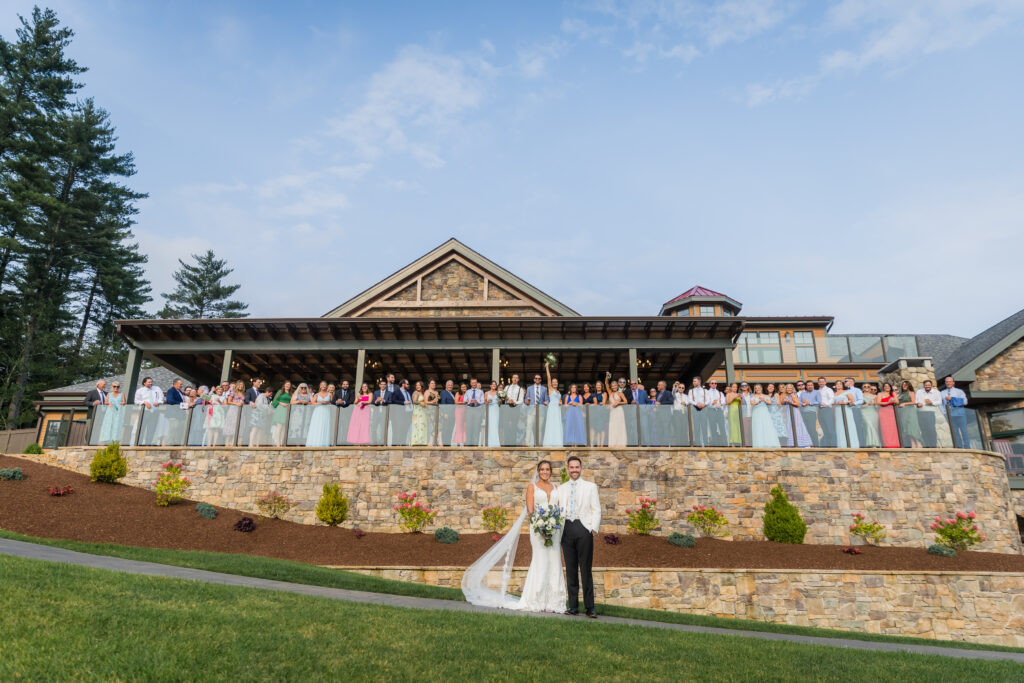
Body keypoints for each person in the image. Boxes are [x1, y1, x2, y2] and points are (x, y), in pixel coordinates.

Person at [461, 460, 566, 612]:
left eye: (547, 469)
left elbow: (559, 508)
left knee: (554, 562)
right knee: (541, 561)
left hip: (555, 531)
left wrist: (554, 524)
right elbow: (530, 509)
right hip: (538, 530)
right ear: (538, 471)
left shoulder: (556, 487)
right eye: (542, 469)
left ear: (551, 471)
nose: (545, 472)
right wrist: (540, 526)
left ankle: (554, 602)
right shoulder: (532, 487)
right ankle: (536, 600)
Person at [556, 455, 601, 618]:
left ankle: (590, 608)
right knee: (571, 569)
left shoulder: (590, 487)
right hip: (566, 529)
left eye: (577, 467)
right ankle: (573, 606)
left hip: (583, 529)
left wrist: (592, 528)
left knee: (586, 569)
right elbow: (558, 508)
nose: (574, 470)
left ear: (581, 469)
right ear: (568, 469)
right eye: (571, 467)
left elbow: (596, 509)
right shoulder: (561, 488)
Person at [942, 376, 970, 448]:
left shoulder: (959, 391)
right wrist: (943, 412)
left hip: (960, 414)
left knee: (964, 431)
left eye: (950, 381)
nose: (948, 383)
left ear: (953, 382)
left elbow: (965, 402)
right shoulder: (942, 393)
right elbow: (941, 404)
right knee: (955, 432)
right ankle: (959, 446)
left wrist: (952, 399)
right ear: (945, 383)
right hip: (950, 415)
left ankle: (967, 446)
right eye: (947, 382)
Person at [306, 381, 334, 447]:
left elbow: (332, 403)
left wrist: (328, 403)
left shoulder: (330, 394)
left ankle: (324, 443)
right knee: (317, 425)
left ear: (326, 386)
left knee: (325, 425)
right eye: (322, 385)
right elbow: (312, 403)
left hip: (326, 411)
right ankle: (315, 442)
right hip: (318, 411)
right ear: (320, 386)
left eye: (325, 385)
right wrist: (320, 403)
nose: (323, 386)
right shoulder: (317, 394)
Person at [524, 372, 548, 447]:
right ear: (534, 380)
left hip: (541, 410)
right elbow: (526, 399)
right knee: (529, 426)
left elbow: (547, 399)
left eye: (539, 378)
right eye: (536, 378)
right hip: (531, 409)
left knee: (539, 428)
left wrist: (546, 402)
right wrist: (527, 401)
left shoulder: (544, 389)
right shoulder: (529, 388)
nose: (537, 379)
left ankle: (538, 443)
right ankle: (528, 443)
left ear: (540, 380)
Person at [916, 380, 943, 447]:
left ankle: (933, 445)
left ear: (931, 385)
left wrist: (932, 403)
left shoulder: (936, 392)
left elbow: (940, 402)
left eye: (928, 385)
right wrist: (918, 403)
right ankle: (926, 445)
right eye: (926, 385)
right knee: (923, 429)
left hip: (930, 412)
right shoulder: (919, 392)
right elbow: (916, 400)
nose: (927, 386)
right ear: (924, 385)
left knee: (931, 429)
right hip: (920, 412)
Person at [541, 362, 563, 447]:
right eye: (553, 382)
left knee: (557, 424)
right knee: (551, 423)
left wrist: (561, 402)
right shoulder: (550, 389)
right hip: (552, 408)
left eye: (556, 382)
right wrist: (547, 367)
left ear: (557, 383)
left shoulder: (558, 392)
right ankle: (550, 442)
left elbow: (560, 400)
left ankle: (557, 441)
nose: (554, 383)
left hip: (557, 409)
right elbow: (548, 377)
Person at [834, 381, 860, 448]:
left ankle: (852, 444)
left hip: (846, 410)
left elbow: (852, 401)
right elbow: (832, 403)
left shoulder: (846, 392)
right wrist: (837, 403)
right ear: (835, 386)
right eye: (837, 384)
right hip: (838, 410)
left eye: (840, 384)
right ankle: (842, 444)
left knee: (848, 424)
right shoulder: (834, 394)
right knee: (840, 426)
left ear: (842, 385)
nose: (839, 385)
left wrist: (845, 402)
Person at [605, 373, 627, 447]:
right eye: (612, 386)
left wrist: (618, 403)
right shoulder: (610, 393)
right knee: (612, 426)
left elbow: (626, 402)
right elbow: (606, 383)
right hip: (612, 411)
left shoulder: (620, 393)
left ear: (617, 386)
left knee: (619, 426)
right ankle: (612, 443)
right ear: (611, 387)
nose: (614, 387)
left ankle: (620, 443)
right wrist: (607, 377)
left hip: (619, 410)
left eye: (615, 385)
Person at [897, 380, 921, 447]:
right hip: (902, 412)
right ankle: (912, 443)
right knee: (906, 428)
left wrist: (904, 403)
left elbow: (913, 402)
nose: (904, 386)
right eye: (903, 385)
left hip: (910, 410)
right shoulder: (900, 394)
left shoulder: (911, 392)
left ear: (908, 386)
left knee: (913, 426)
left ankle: (918, 442)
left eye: (906, 385)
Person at [797, 380, 821, 447]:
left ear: (813, 386)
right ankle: (808, 444)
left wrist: (809, 403)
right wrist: (803, 403)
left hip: (811, 413)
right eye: (808, 385)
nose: (810, 386)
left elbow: (819, 402)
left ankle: (816, 445)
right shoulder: (802, 394)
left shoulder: (817, 392)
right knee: (805, 429)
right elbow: (799, 402)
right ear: (806, 386)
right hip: (802, 413)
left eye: (811, 385)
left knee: (812, 429)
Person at [503, 374, 525, 445]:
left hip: (515, 408)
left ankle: (513, 442)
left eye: (516, 378)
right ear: (511, 379)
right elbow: (502, 396)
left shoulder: (520, 389)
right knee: (506, 424)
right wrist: (507, 399)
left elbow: (521, 400)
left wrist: (514, 402)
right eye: (514, 378)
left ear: (518, 380)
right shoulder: (507, 387)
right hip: (507, 408)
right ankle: (506, 442)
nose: (515, 379)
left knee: (514, 425)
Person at [687, 377, 709, 447]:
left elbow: (708, 400)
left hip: (704, 408)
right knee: (696, 426)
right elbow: (689, 399)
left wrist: (704, 404)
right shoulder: (691, 391)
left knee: (704, 426)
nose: (693, 382)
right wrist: (696, 404)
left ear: (699, 382)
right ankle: (697, 443)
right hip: (695, 408)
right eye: (693, 381)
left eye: (695, 381)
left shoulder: (705, 391)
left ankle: (706, 443)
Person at [878, 382, 900, 448]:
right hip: (883, 411)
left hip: (891, 411)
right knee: (885, 428)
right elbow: (878, 402)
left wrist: (893, 400)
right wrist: (888, 402)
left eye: (888, 386)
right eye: (885, 386)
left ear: (890, 387)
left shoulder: (893, 393)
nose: (887, 387)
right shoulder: (880, 394)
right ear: (883, 387)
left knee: (893, 428)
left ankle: (895, 444)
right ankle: (887, 445)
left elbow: (897, 402)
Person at [270, 381, 292, 447]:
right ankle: (277, 443)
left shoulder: (291, 394)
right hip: (280, 409)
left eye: (289, 385)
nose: (288, 386)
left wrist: (288, 404)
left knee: (284, 428)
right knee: (279, 427)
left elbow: (292, 402)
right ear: (284, 385)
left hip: (287, 410)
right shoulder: (280, 391)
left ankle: (282, 442)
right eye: (286, 384)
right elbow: (274, 400)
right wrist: (281, 403)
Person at [817, 377, 837, 448]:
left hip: (827, 409)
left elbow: (832, 398)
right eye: (820, 382)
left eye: (822, 381)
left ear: (825, 382)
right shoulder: (818, 391)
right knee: (824, 428)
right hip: (820, 410)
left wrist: (827, 404)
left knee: (830, 427)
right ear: (818, 383)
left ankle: (833, 445)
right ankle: (828, 444)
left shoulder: (828, 389)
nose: (821, 383)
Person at [861, 384, 881, 448]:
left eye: (868, 387)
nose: (866, 388)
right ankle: (871, 444)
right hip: (864, 412)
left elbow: (877, 406)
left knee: (874, 427)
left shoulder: (875, 396)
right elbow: (859, 406)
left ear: (870, 388)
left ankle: (876, 443)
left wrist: (875, 403)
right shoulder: (860, 396)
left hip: (873, 412)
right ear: (862, 388)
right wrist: (868, 404)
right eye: (865, 386)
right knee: (868, 425)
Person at [589, 380, 608, 447]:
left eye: (599, 385)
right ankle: (598, 443)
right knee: (597, 428)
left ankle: (601, 444)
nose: (598, 386)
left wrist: (596, 404)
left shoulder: (604, 393)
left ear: (601, 386)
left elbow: (604, 402)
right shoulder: (594, 394)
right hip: (595, 412)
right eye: (597, 385)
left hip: (601, 412)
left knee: (602, 428)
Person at [483, 380, 501, 447]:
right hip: (489, 409)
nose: (494, 385)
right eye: (492, 384)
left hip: (496, 409)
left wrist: (499, 401)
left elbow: (500, 403)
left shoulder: (498, 393)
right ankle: (488, 442)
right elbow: (484, 403)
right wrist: (487, 401)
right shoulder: (486, 393)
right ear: (490, 385)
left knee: (495, 425)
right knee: (489, 425)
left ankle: (496, 442)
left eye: (495, 384)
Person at [453, 382, 468, 446]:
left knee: (465, 426)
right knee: (459, 426)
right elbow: (456, 402)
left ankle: (464, 441)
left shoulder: (468, 394)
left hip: (466, 411)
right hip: (459, 410)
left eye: (464, 387)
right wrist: (463, 402)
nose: (463, 388)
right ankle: (458, 442)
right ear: (460, 388)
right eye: (462, 387)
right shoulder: (458, 393)